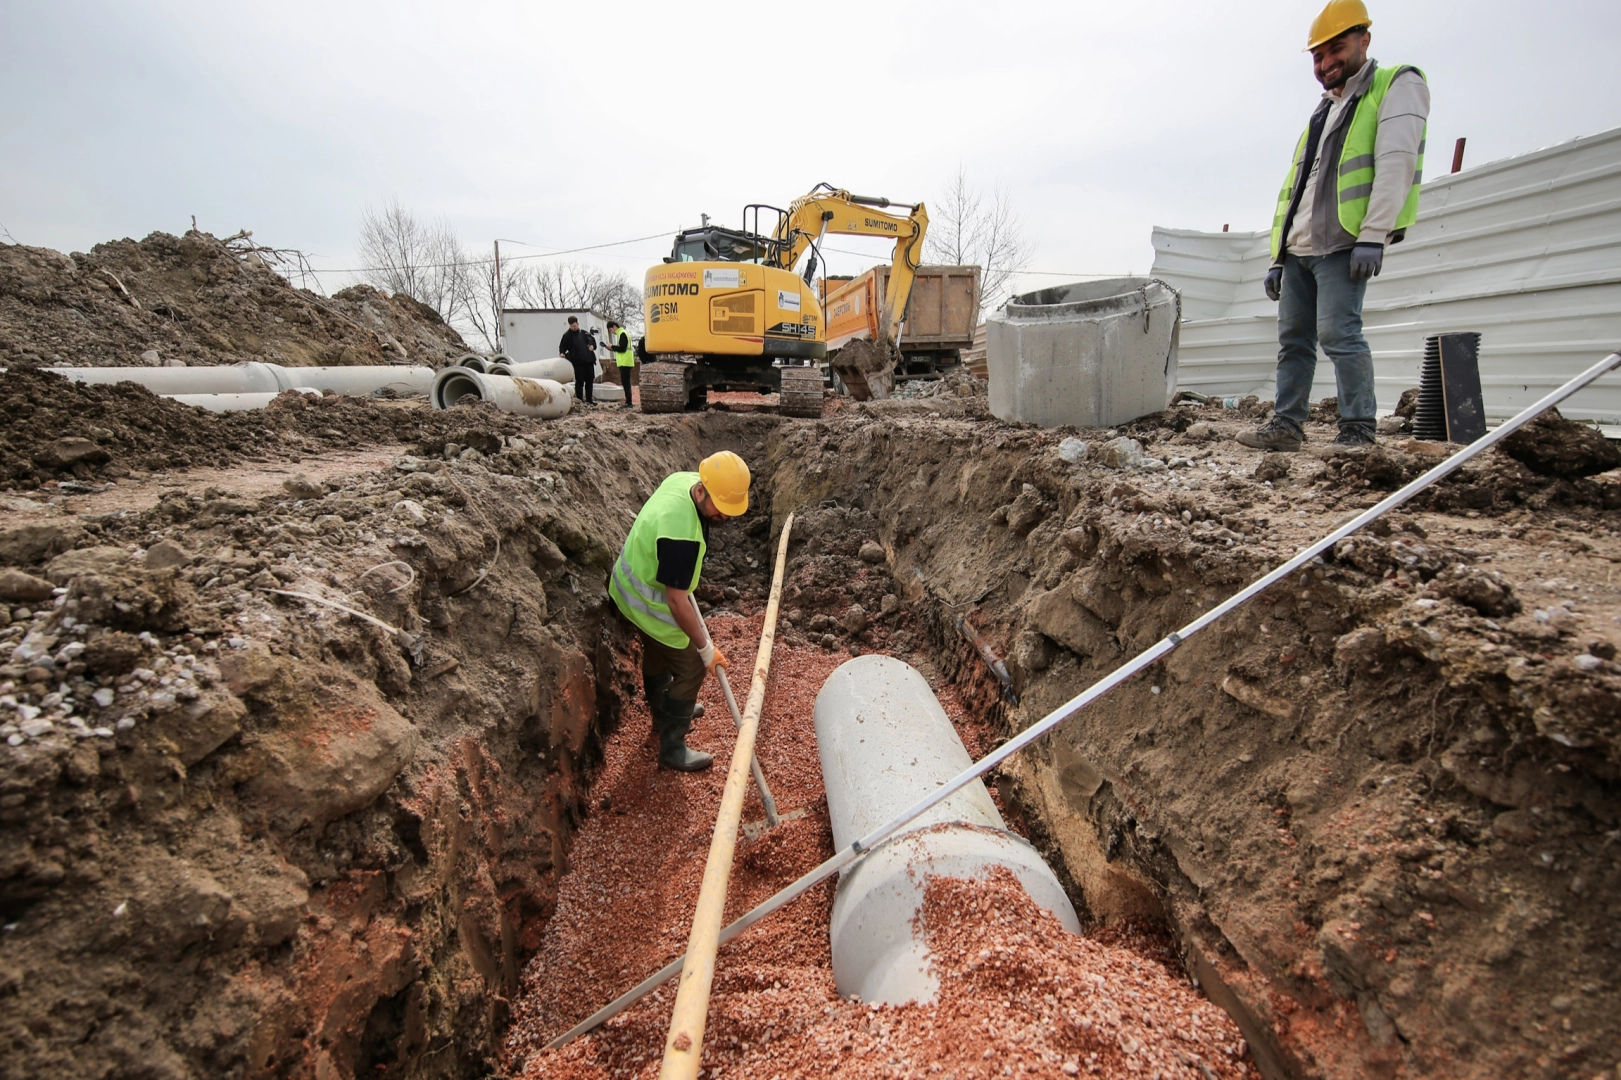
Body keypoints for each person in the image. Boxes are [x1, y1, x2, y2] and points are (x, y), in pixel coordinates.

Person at [1237, 0, 1429, 453]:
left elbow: (1396, 163)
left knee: (1339, 335)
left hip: (1344, 242)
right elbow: (1297, 188)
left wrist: (1373, 235)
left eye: (1336, 50)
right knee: (1293, 341)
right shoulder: (1323, 110)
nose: (1325, 64)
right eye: (1318, 56)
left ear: (1364, 40)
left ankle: (1359, 429)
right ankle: (1286, 426)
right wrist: (1278, 256)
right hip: (1299, 248)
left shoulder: (1395, 84)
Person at [607, 451, 751, 771]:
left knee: (658, 651)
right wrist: (706, 649)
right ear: (701, 491)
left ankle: (663, 709)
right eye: (721, 508)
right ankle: (672, 747)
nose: (725, 516)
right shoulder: (681, 536)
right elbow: (676, 601)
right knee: (692, 666)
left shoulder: (684, 481)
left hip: (631, 581)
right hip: (645, 601)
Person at [558, 315, 599, 405]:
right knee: (580, 381)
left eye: (575, 326)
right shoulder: (567, 336)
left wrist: (592, 346)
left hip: (589, 361)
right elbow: (562, 346)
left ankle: (589, 399)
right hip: (577, 362)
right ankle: (579, 399)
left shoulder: (585, 333)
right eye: (571, 326)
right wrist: (562, 353)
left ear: (578, 324)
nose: (573, 328)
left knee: (589, 380)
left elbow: (593, 342)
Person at [607, 319, 636, 409]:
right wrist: (612, 348)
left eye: (611, 330)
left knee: (626, 382)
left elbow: (622, 348)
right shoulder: (622, 333)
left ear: (614, 327)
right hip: (625, 361)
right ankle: (628, 401)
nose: (611, 332)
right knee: (625, 382)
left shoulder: (622, 334)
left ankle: (629, 402)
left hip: (625, 362)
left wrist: (612, 347)